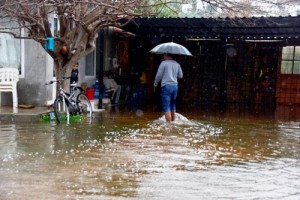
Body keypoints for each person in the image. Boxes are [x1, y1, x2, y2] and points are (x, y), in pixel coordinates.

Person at [154, 53, 183, 122]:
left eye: (164, 55)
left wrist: (155, 83)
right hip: (175, 86)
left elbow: (159, 75)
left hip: (166, 86)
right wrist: (173, 74)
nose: (163, 56)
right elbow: (180, 76)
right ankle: (173, 123)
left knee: (166, 106)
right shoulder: (177, 64)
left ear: (166, 55)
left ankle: (169, 126)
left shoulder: (163, 63)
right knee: (172, 105)